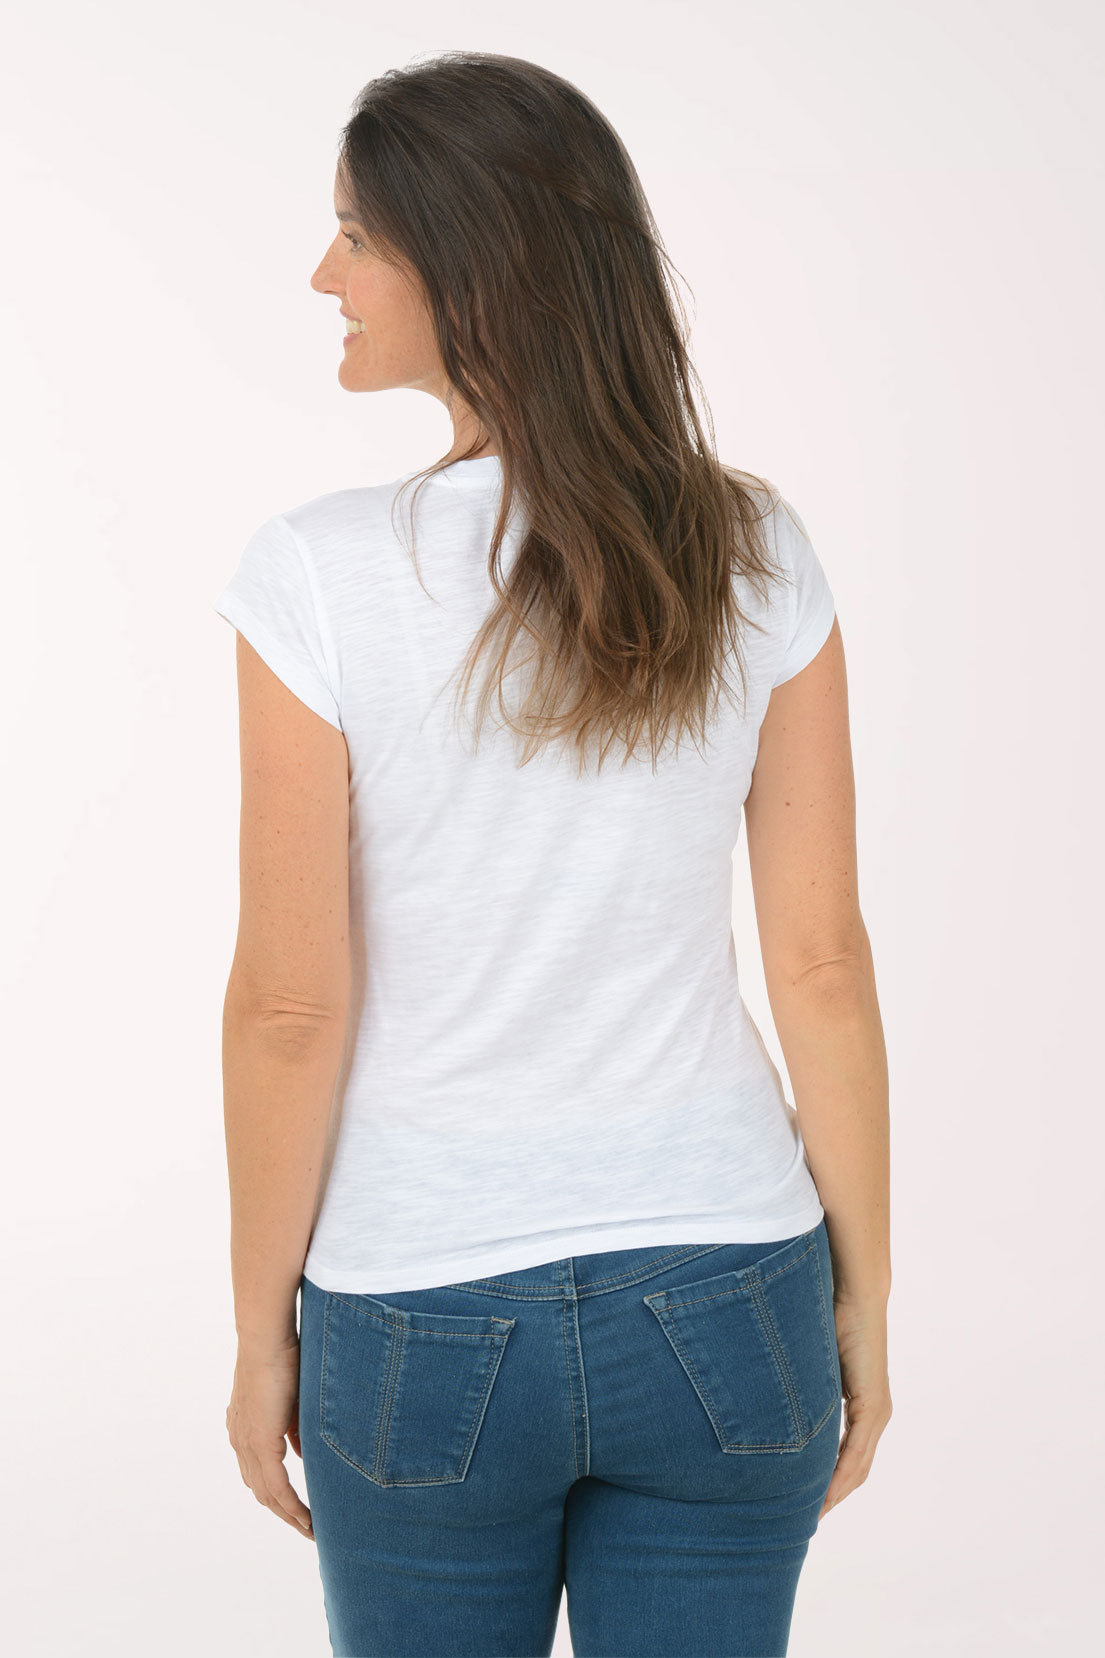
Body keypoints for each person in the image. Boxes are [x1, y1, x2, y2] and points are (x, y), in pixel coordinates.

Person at [215, 50, 891, 1658]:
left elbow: (288, 1007)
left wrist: (257, 1336)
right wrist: (863, 1296)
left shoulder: (315, 579)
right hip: (731, 1290)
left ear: (472, 266)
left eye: (357, 238)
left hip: (419, 1317)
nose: (325, 273)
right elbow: (820, 962)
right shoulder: (749, 550)